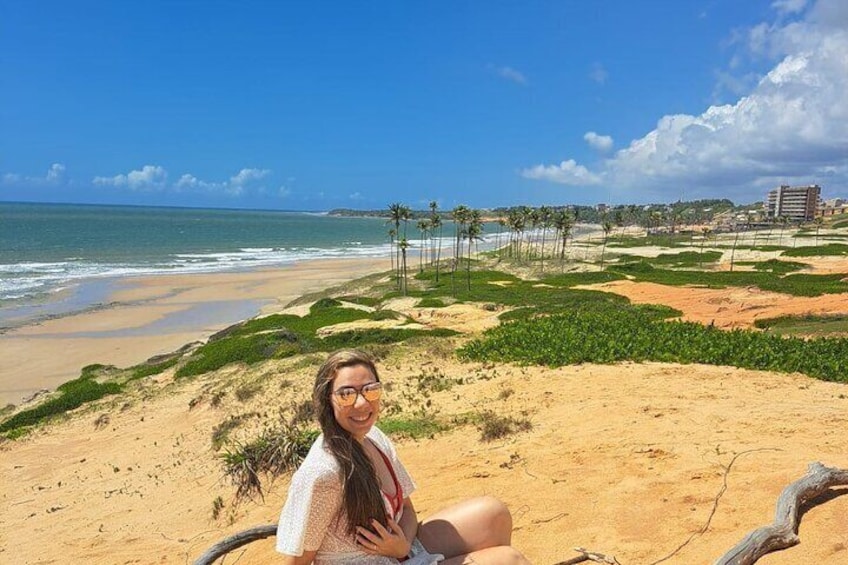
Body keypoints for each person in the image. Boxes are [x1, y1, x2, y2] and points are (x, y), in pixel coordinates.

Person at [276, 349, 530, 565]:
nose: (362, 404)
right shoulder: (324, 474)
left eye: (370, 390)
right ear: (327, 400)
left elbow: (407, 508)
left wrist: (403, 546)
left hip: (399, 552)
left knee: (494, 514)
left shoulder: (374, 437)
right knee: (509, 560)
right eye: (346, 394)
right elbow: (297, 561)